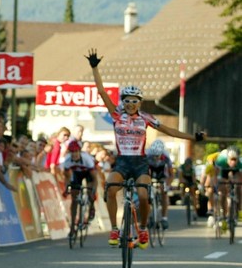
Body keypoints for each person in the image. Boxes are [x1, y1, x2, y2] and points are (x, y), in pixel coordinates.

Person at [86, 48, 204, 249]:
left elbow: (170, 131)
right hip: (122, 161)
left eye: (134, 101)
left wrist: (193, 137)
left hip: (140, 163)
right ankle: (115, 228)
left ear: (140, 102)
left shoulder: (146, 118)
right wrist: (95, 68)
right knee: (111, 189)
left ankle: (142, 228)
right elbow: (102, 91)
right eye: (127, 100)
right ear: (123, 102)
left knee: (142, 195)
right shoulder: (116, 115)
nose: (131, 104)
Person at [61, 140, 98, 237]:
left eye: (76, 152)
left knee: (90, 191)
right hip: (77, 174)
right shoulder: (67, 160)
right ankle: (72, 227)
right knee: (74, 199)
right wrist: (66, 189)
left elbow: (95, 179)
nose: (74, 154)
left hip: (88, 173)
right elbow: (67, 177)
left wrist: (93, 192)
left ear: (79, 151)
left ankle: (91, 208)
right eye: (72, 152)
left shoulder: (87, 159)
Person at [146, 139, 174, 229]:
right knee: (146, 193)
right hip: (150, 169)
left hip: (161, 171)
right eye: (154, 156)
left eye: (157, 156)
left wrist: (167, 184)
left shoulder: (166, 157)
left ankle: (164, 218)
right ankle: (147, 217)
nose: (155, 158)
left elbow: (171, 174)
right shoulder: (147, 155)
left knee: (164, 192)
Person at [214, 146, 242, 225]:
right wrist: (217, 184)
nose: (233, 162)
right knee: (223, 193)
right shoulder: (221, 161)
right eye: (231, 159)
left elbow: (240, 176)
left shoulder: (240, 163)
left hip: (235, 173)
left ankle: (239, 210)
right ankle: (224, 215)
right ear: (227, 158)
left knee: (239, 189)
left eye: (235, 160)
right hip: (223, 174)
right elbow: (216, 175)